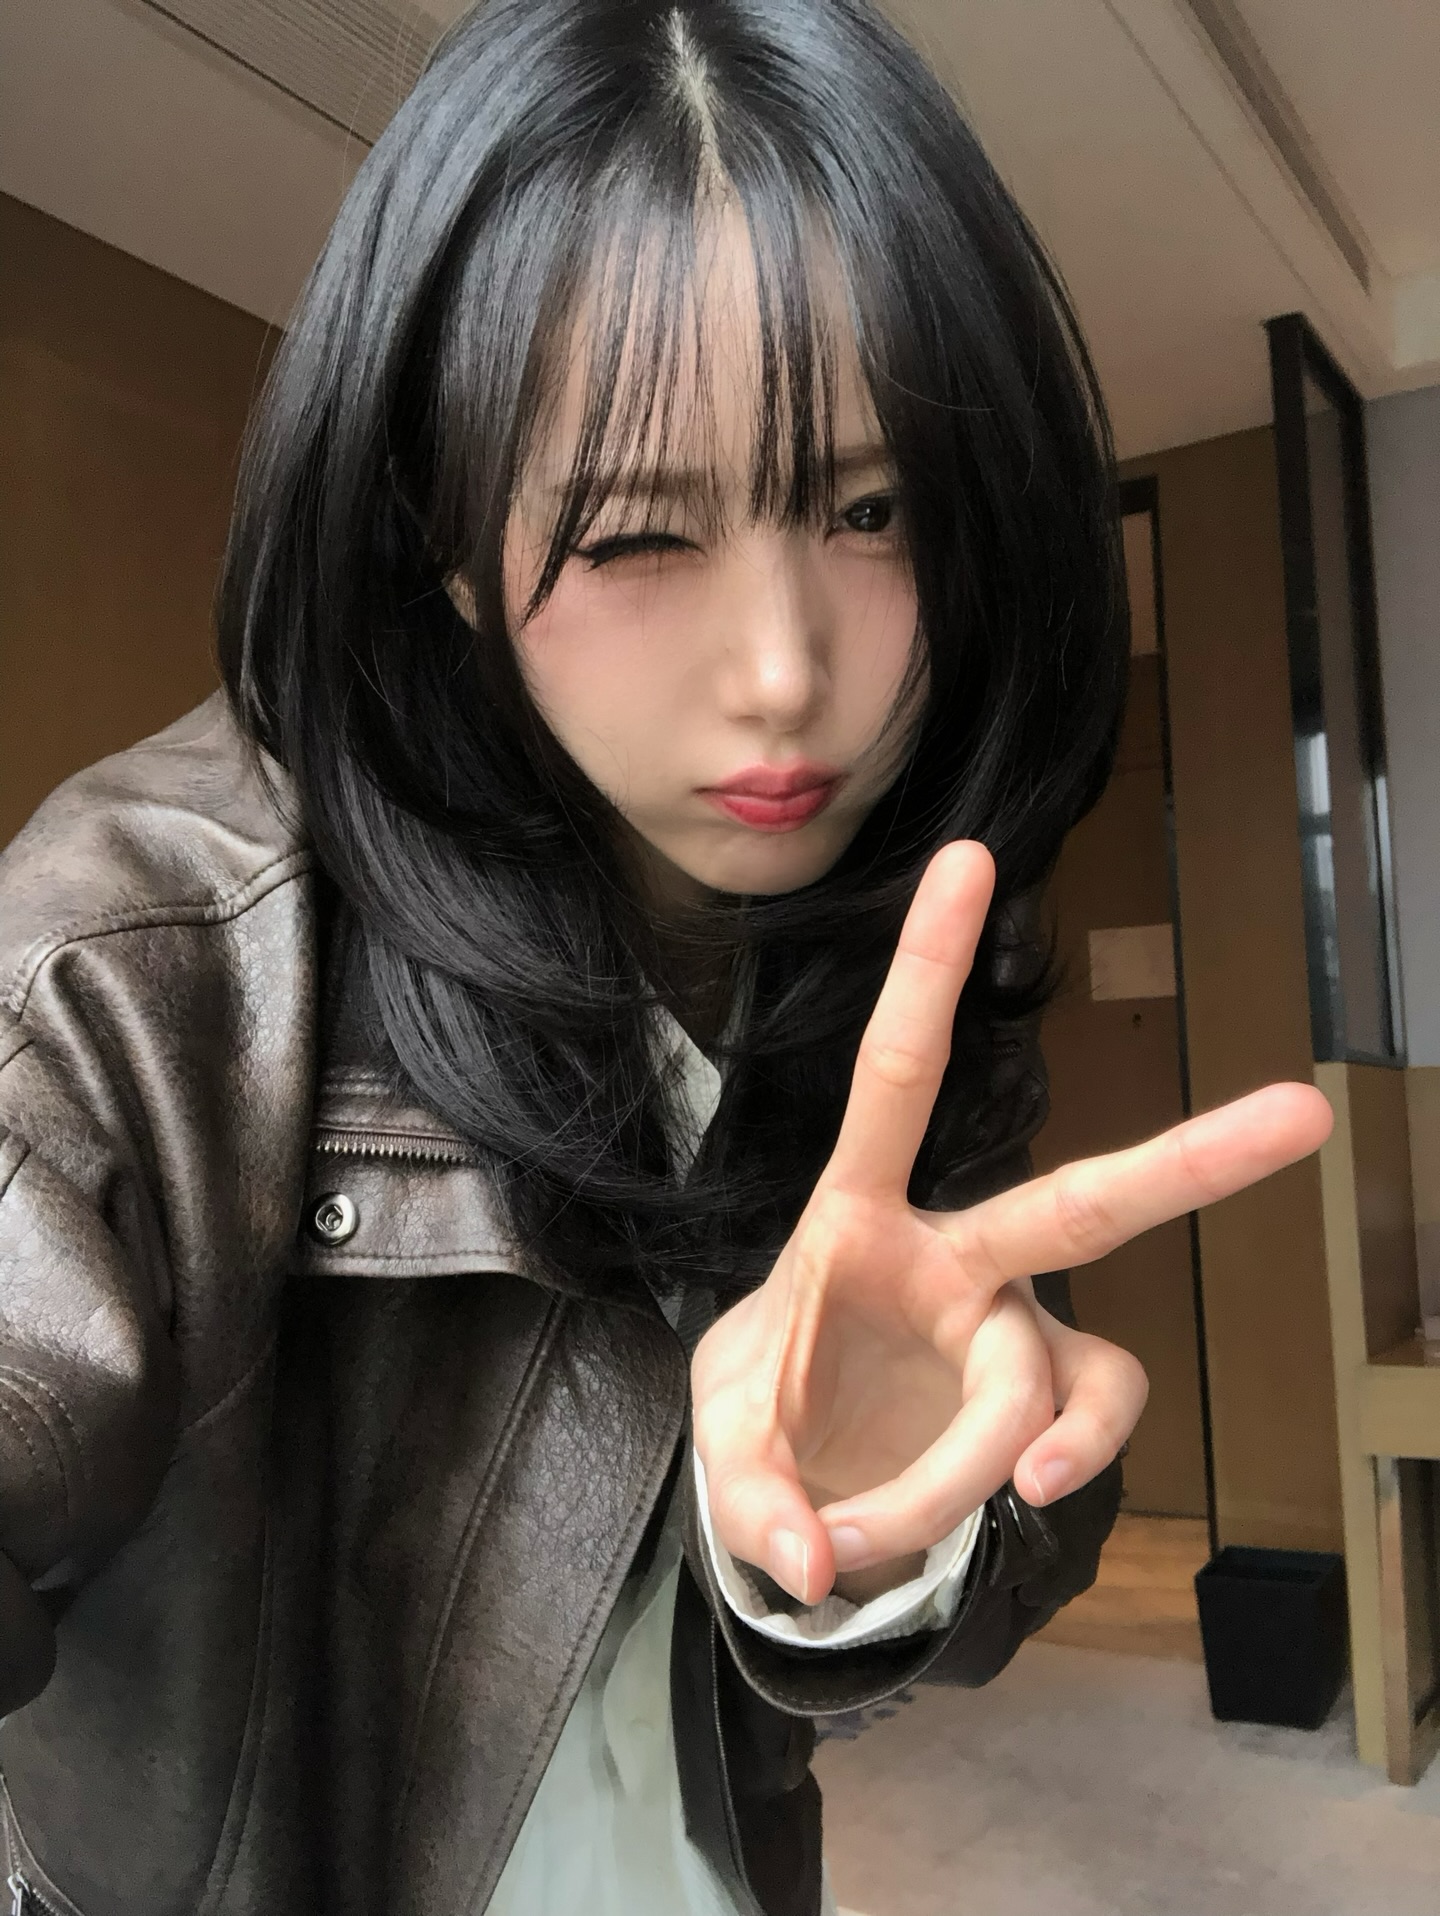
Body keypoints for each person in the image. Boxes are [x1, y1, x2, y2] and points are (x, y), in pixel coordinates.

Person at [0, 1, 1331, 1911]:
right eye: (637, 535)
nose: (787, 673)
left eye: (869, 508)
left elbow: (932, 1614)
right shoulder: (131, 965)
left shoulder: (888, 941)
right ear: (444, 535)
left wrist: (877, 1523)